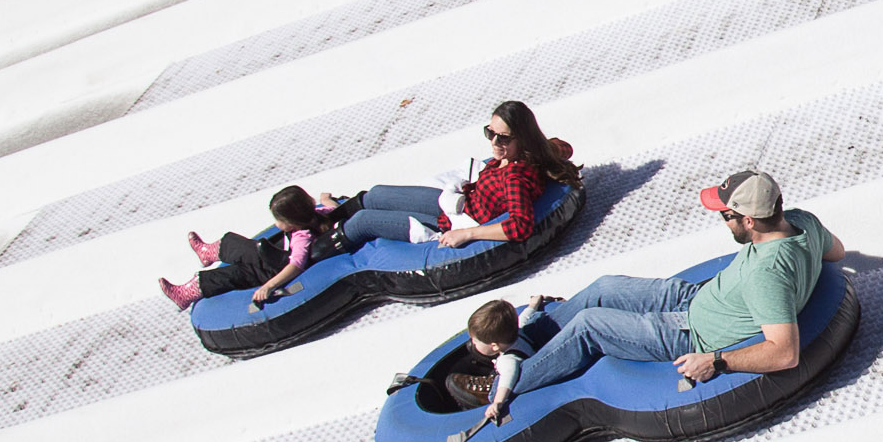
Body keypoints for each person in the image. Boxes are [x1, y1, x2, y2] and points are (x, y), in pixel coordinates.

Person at [509, 169, 843, 397]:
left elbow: (785, 353)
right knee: (604, 287)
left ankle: (510, 380)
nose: (723, 222)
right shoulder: (802, 221)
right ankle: (525, 340)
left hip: (692, 334)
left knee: (588, 326)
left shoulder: (767, 275)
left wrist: (716, 361)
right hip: (700, 297)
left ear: (749, 220)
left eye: (726, 216)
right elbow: (836, 252)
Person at [333, 100, 580, 251]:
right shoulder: (526, 152)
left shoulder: (515, 177)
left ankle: (308, 254)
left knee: (364, 221)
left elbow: (520, 226)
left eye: (503, 138)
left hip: (457, 221)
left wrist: (466, 234)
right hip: (458, 202)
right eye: (490, 132)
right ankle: (325, 220)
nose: (494, 142)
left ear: (522, 138)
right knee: (376, 195)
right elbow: (563, 147)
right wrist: (551, 150)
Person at [159, 184, 332, 311]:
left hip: (274, 271)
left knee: (235, 273)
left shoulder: (303, 237)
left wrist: (268, 286)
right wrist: (326, 199)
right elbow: (333, 208)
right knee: (242, 246)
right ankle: (208, 253)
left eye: (279, 220)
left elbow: (296, 265)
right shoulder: (319, 215)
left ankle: (185, 294)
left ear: (292, 221)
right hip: (277, 260)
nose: (276, 224)